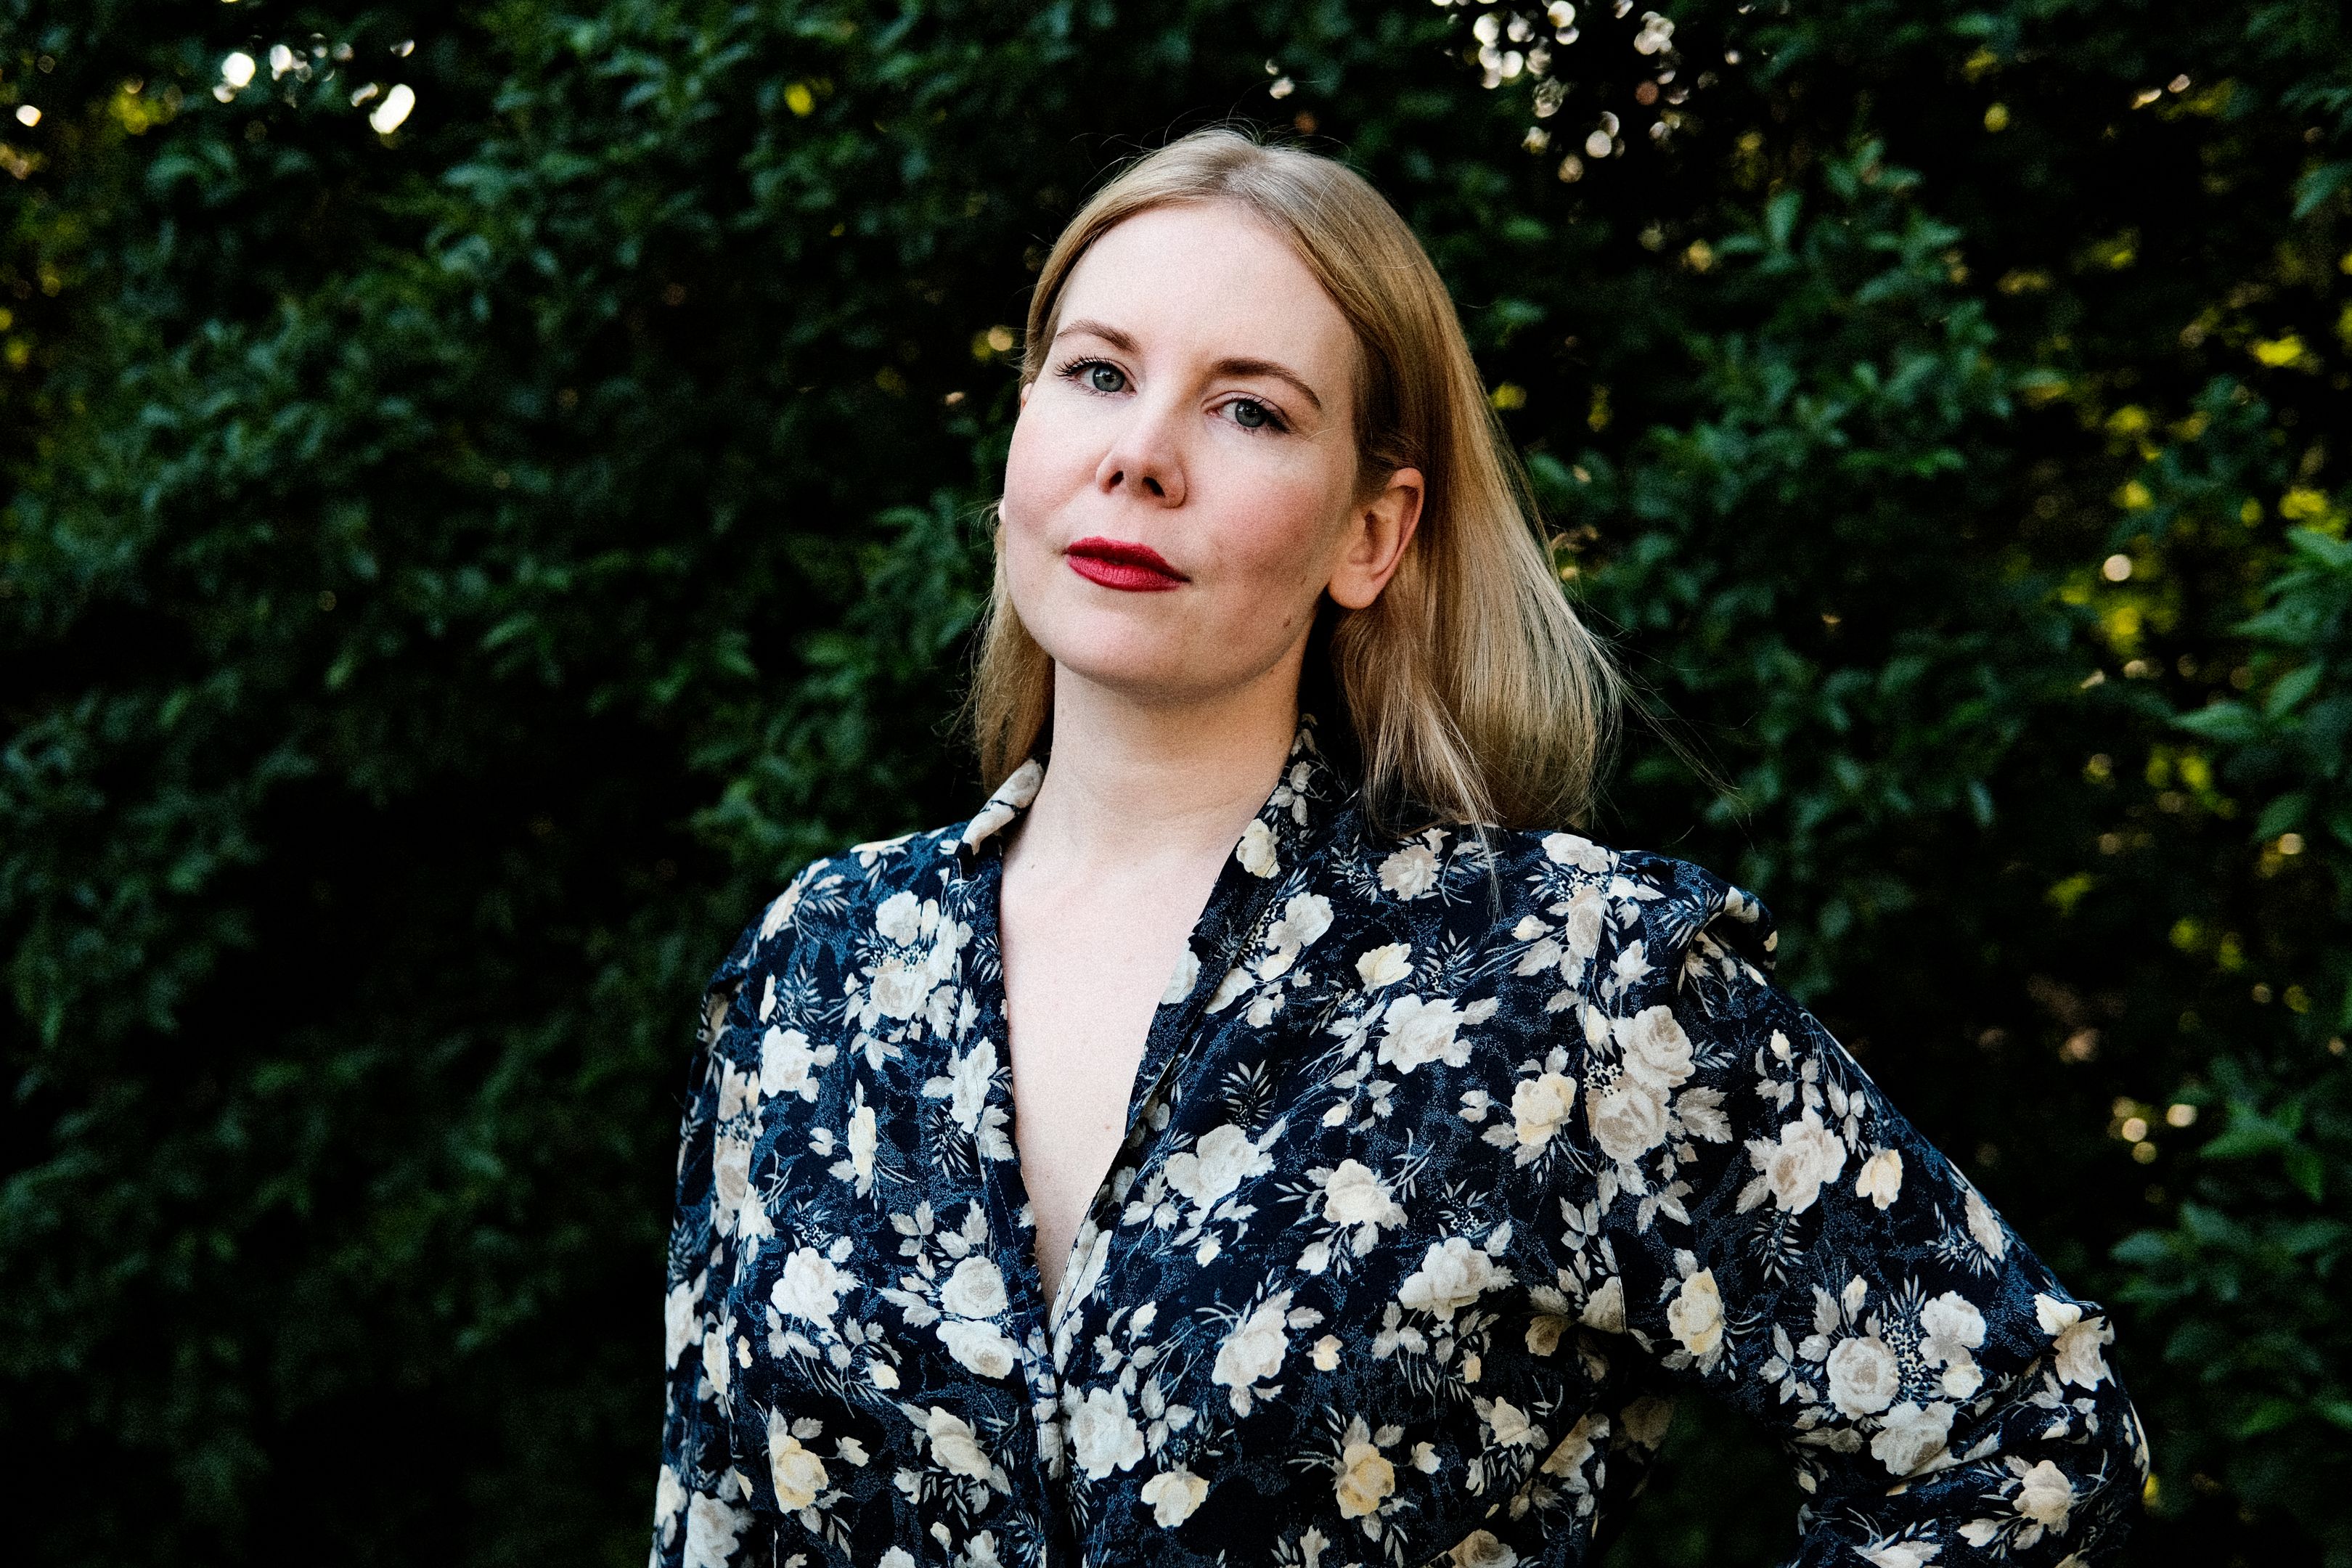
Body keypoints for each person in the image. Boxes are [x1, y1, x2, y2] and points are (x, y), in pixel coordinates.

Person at [650, 127, 2145, 1568]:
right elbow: (713, 1518)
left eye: (1250, 411)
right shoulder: (817, 971)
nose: (1142, 456)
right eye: (1098, 374)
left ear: (1371, 533)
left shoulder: (1564, 983)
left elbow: (2024, 1434)